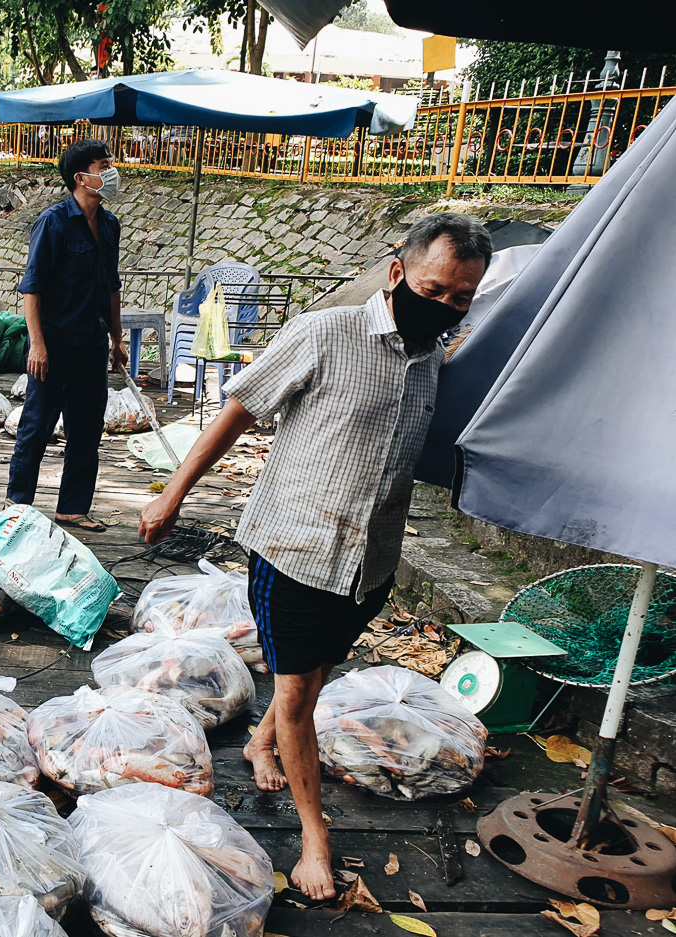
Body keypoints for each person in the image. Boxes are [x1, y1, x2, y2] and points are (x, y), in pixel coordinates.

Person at [137, 212, 492, 900]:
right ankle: (313, 837)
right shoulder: (323, 334)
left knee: (318, 672)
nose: (445, 305)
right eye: (435, 288)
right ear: (397, 274)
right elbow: (238, 409)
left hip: (371, 558)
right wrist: (172, 494)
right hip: (295, 546)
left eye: (460, 298)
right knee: (296, 691)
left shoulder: (433, 358)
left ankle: (261, 742)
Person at [7, 139, 129, 531]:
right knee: (37, 426)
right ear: (81, 177)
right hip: (54, 345)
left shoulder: (109, 224)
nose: (111, 169)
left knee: (86, 429)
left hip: (91, 345)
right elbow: (32, 288)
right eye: (103, 164)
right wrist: (37, 345)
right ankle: (17, 506)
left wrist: (117, 339)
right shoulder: (54, 222)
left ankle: (72, 508)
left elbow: (111, 286)